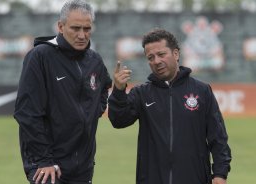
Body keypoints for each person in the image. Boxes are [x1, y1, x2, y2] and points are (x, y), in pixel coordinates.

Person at [108, 28, 231, 184]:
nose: (156, 61)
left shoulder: (202, 91)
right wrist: (118, 91)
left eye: (161, 54)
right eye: (150, 57)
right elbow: (118, 120)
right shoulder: (141, 93)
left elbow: (218, 137)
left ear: (176, 54)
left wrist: (220, 174)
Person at [14, 0, 112, 184]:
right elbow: (27, 113)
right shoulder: (40, 57)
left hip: (83, 167)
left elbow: (104, 88)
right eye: (75, 28)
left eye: (87, 28)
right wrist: (44, 160)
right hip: (47, 166)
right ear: (61, 26)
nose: (82, 35)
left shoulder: (95, 60)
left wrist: (93, 113)